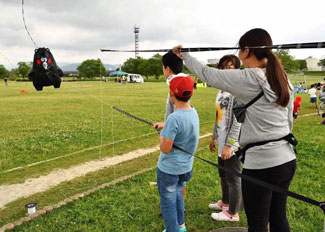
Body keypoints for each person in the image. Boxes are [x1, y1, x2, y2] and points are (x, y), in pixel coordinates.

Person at [173, 28, 296, 232]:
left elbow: (208, 74)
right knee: (278, 217)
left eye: (239, 49)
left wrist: (184, 55)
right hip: (287, 160)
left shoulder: (252, 77)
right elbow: (289, 118)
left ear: (246, 51)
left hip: (262, 165)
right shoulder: (281, 76)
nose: (238, 53)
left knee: (257, 223)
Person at [157, 74, 199, 232]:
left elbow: (165, 148)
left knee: (168, 202)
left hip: (169, 169)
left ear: (172, 93)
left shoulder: (174, 118)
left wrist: (162, 135)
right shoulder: (193, 112)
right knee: (178, 195)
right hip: (186, 168)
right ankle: (181, 226)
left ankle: (172, 229)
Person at [208, 55, 242, 222]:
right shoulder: (220, 92)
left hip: (231, 145)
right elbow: (218, 117)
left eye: (231, 67)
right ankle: (226, 204)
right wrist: (214, 137)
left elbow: (238, 122)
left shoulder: (236, 92)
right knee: (223, 174)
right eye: (224, 67)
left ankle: (233, 213)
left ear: (237, 70)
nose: (227, 70)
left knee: (233, 178)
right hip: (221, 141)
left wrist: (230, 145)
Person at [154, 52, 190, 204]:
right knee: (182, 175)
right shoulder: (183, 80)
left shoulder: (174, 83)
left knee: (174, 175)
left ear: (167, 68)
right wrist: (165, 123)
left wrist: (168, 128)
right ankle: (179, 206)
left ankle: (175, 207)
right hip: (183, 135)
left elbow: (178, 113)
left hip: (175, 140)